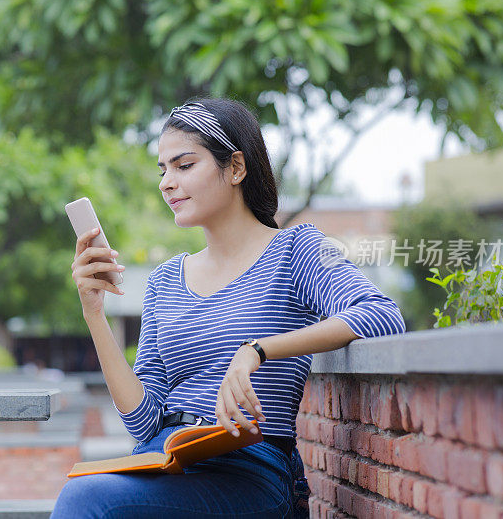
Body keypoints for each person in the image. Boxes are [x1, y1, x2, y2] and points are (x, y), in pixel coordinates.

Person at [55, 97, 406, 518]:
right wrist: (94, 313)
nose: (167, 182)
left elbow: (381, 314)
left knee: (85, 501)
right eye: (163, 169)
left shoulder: (299, 249)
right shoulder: (164, 281)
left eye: (184, 165)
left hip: (248, 469)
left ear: (236, 168)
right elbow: (144, 421)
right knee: (87, 492)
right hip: (165, 459)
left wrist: (257, 350)